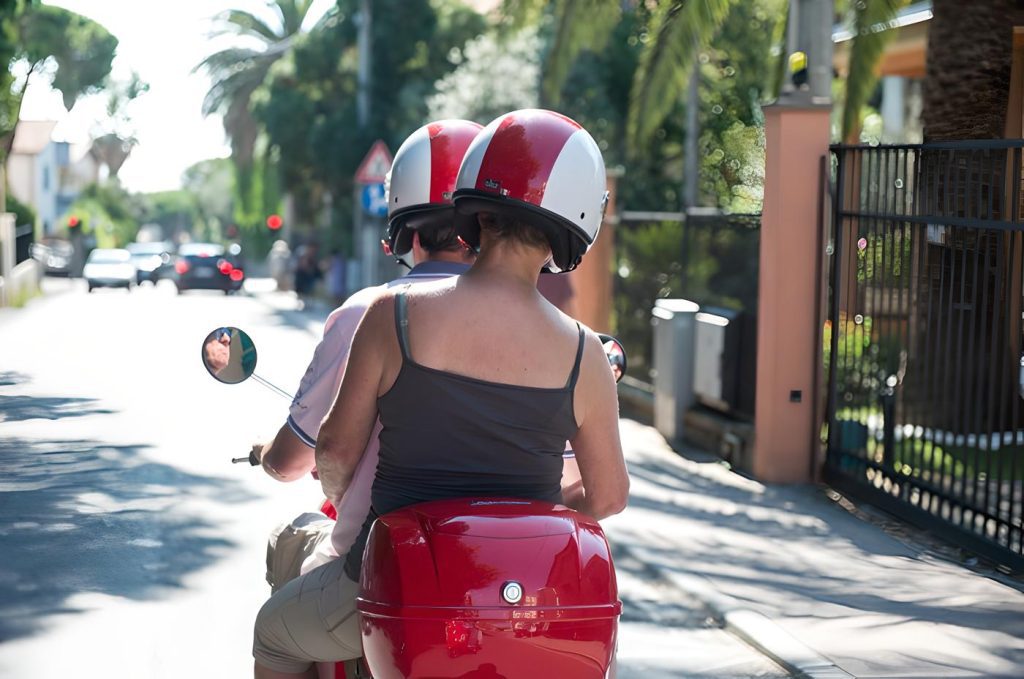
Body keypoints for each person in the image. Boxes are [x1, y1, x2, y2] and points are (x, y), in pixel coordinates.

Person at [252, 109, 629, 678]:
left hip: (394, 595)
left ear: (472, 206)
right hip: (521, 612)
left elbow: (332, 451)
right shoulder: (586, 354)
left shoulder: (393, 315)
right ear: (575, 224)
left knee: (275, 633)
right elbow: (608, 495)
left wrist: (350, 514)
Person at [250, 119, 484, 577]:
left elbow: (307, 457)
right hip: (507, 569)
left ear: (406, 234)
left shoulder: (369, 312)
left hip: (388, 563)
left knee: (276, 624)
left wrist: (331, 480)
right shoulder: (545, 328)